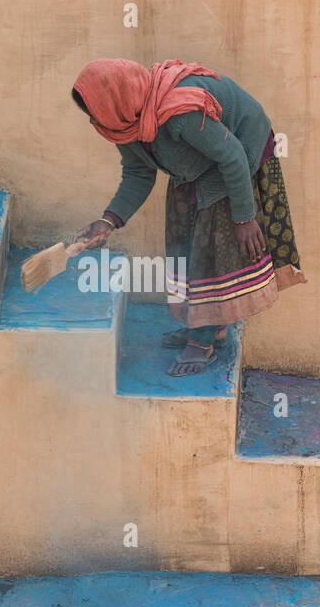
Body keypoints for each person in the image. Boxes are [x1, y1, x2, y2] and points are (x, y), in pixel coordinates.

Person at [70, 58, 306, 376]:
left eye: (95, 110)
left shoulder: (180, 113)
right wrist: (109, 220)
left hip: (238, 153)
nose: (92, 120)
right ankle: (208, 325)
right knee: (182, 235)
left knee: (210, 247)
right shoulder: (123, 121)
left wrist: (244, 218)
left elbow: (233, 155)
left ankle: (202, 339)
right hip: (197, 163)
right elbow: (138, 173)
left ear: (116, 99)